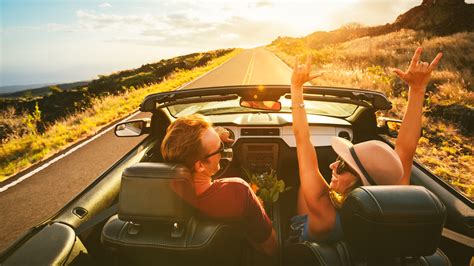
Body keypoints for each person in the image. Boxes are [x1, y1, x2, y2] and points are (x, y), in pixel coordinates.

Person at [290, 47, 443, 242]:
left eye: (342, 165)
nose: (332, 165)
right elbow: (406, 149)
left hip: (310, 244)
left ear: (359, 183)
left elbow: (302, 139)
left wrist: (296, 88)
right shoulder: (392, 194)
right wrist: (418, 89)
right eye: (339, 160)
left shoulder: (323, 210)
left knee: (303, 188)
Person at [161, 114, 278, 257]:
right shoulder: (238, 190)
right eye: (219, 149)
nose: (222, 151)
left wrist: (213, 138)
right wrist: (258, 203)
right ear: (200, 166)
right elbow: (270, 247)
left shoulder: (155, 192)